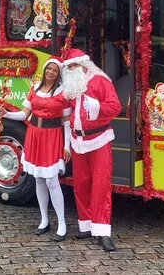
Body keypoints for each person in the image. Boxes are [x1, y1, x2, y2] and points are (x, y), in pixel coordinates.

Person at [0, 56, 72, 241]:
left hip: (53, 137)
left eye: (55, 70)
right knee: (39, 179)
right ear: (45, 70)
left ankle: (62, 223)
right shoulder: (34, 90)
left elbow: (67, 122)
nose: (51, 72)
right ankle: (44, 220)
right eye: (49, 69)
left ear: (58, 73)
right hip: (35, 135)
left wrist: (67, 146)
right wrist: (7, 114)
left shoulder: (63, 94)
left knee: (52, 181)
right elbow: (24, 114)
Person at [60, 48, 122, 252]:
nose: (71, 69)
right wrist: (66, 144)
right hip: (78, 142)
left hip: (99, 139)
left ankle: (103, 232)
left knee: (101, 186)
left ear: (83, 65)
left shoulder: (100, 81)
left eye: (74, 65)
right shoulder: (70, 85)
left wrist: (97, 107)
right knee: (81, 184)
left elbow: (116, 107)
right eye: (68, 66)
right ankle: (86, 226)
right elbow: (66, 115)